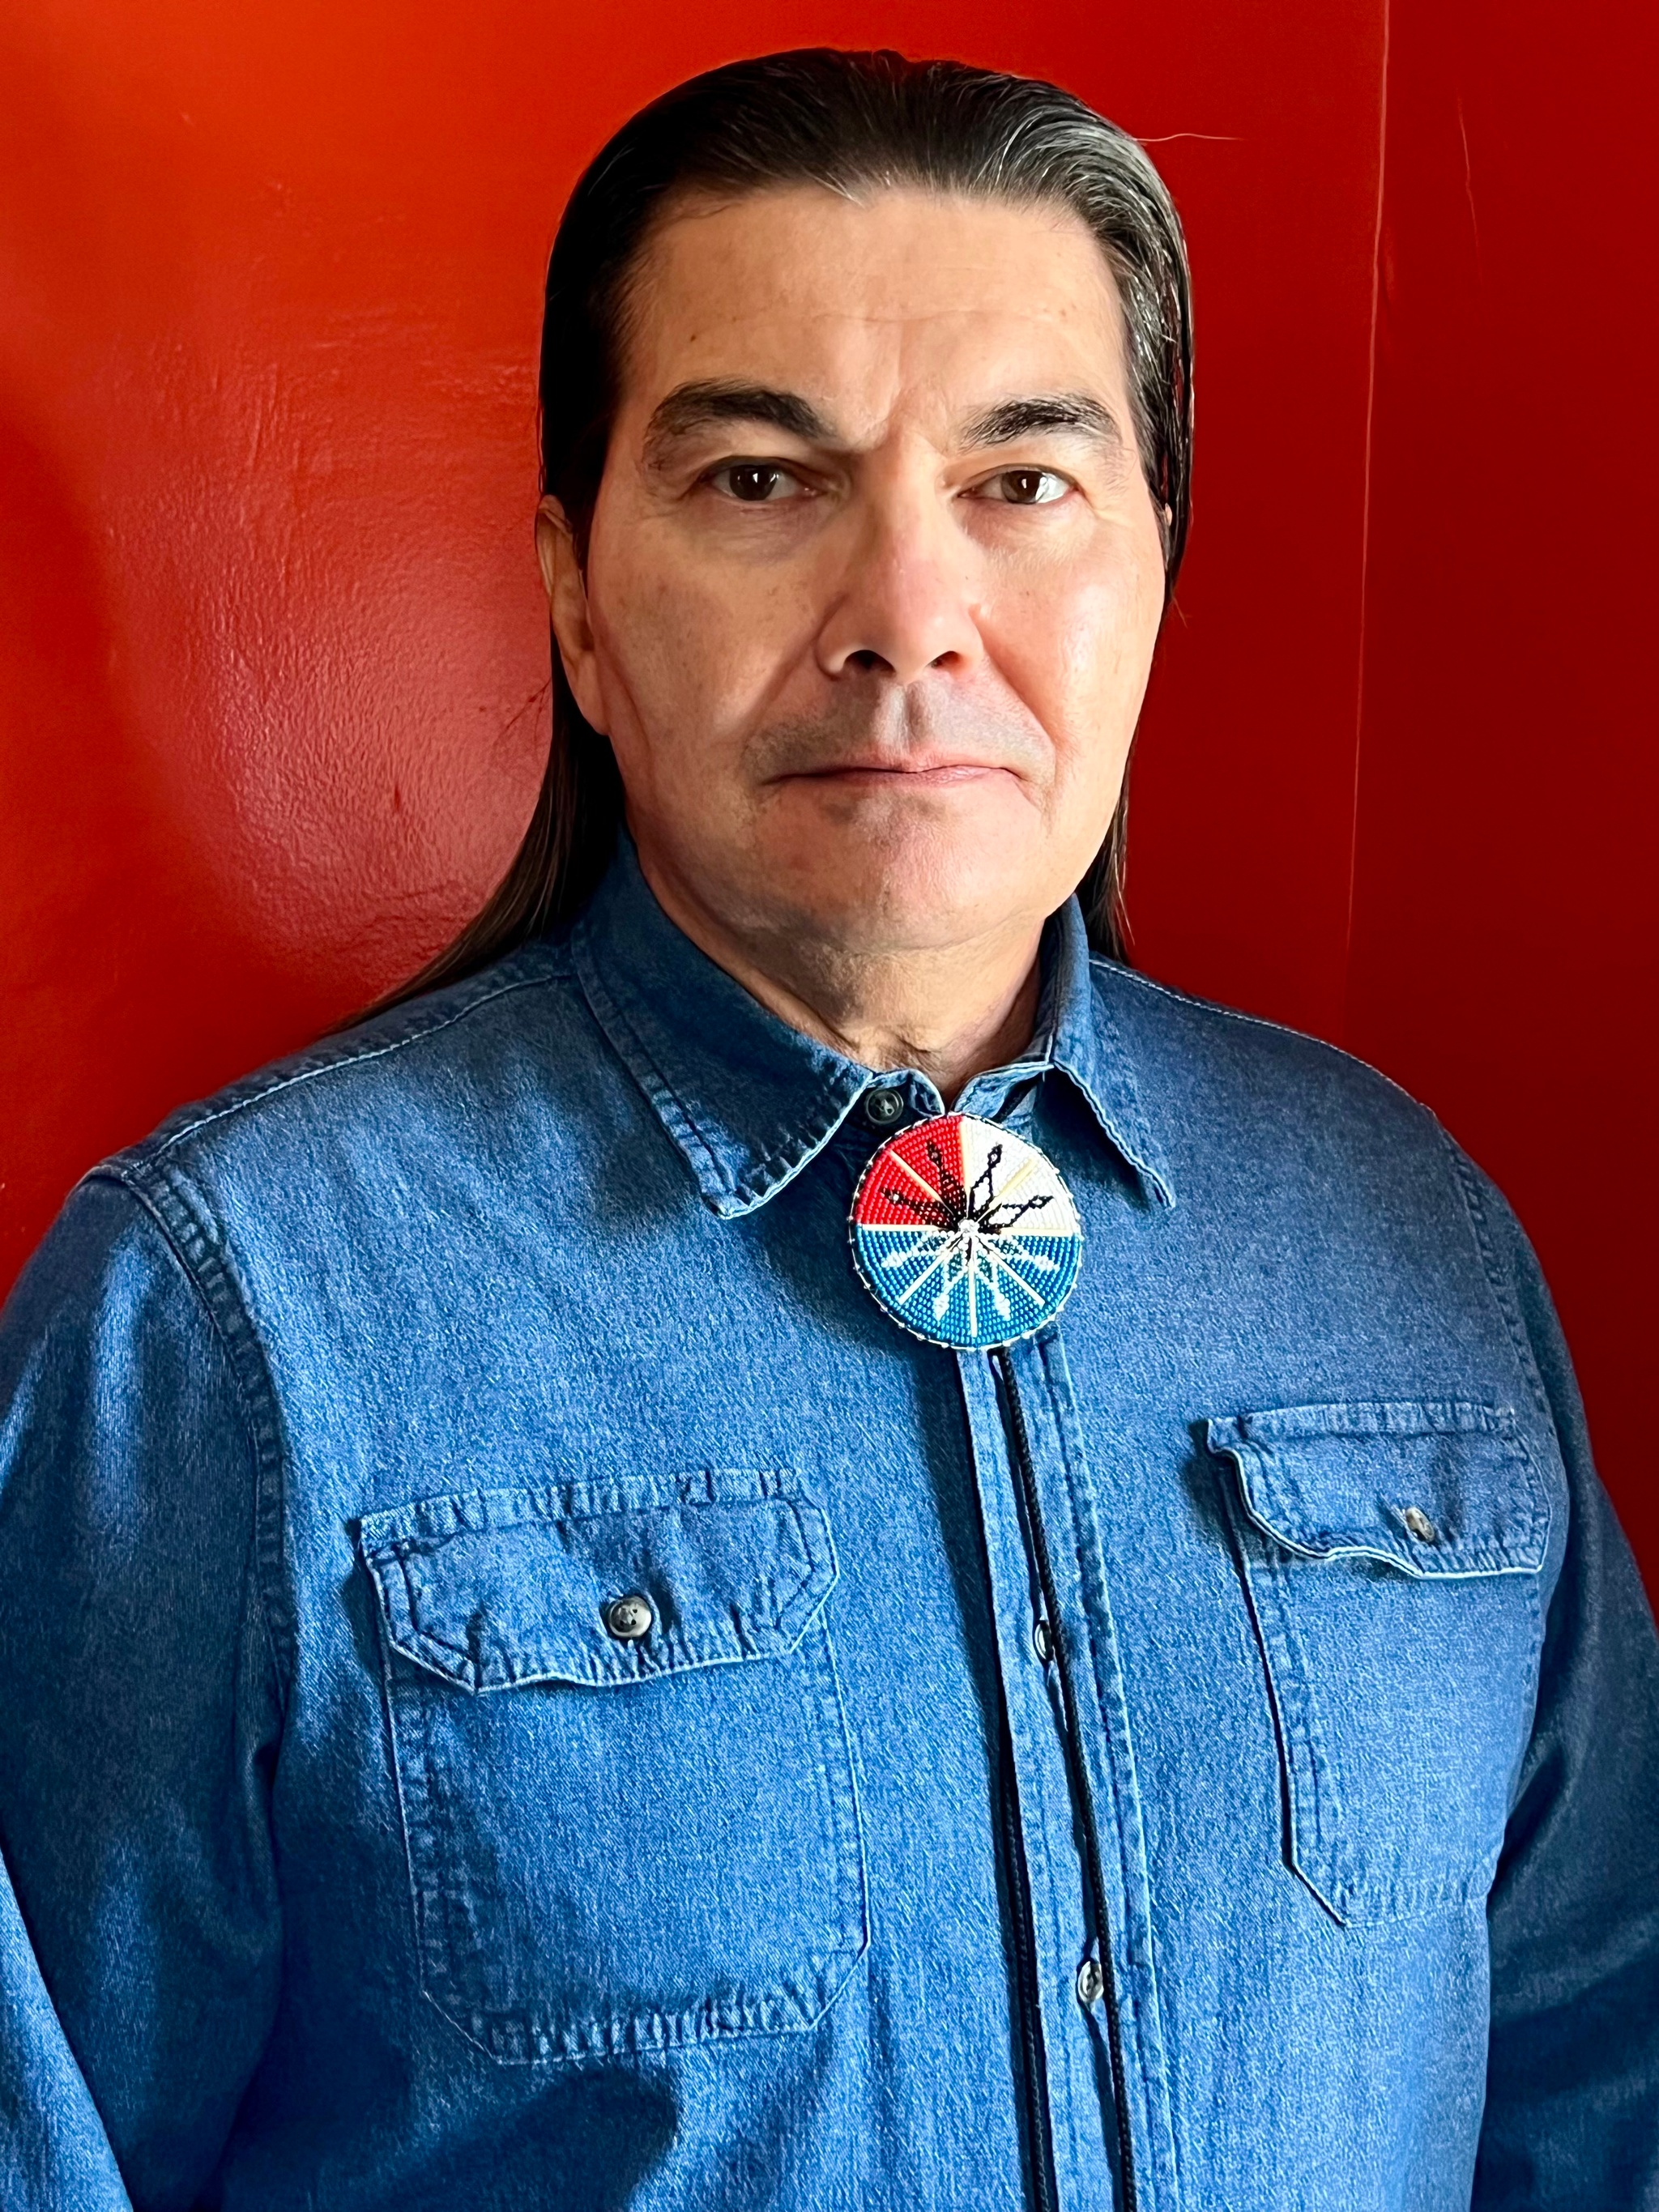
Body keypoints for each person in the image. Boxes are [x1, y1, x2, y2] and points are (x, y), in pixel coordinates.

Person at [0, 46, 1653, 2212]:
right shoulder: (225, 1322)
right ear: (579, 596)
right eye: (762, 481)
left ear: (1157, 563)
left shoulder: (1404, 1237)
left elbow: (1600, 2082)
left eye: (1025, 483)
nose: (904, 620)